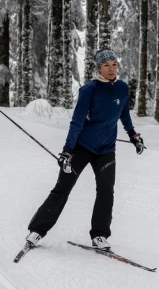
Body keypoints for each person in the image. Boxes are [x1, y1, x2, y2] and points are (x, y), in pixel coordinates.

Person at [24, 49, 145, 251]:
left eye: (114, 64)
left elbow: (124, 114)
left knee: (106, 191)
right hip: (81, 148)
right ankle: (37, 230)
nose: (111, 69)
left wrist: (133, 135)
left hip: (106, 149)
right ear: (98, 68)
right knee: (62, 189)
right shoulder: (89, 90)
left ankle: (99, 235)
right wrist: (67, 150)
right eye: (106, 65)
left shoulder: (122, 88)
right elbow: (77, 121)